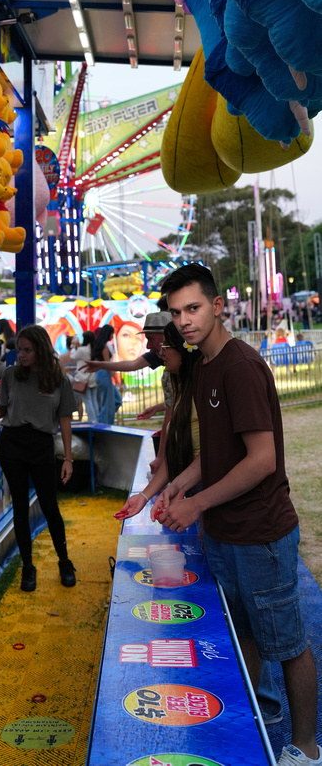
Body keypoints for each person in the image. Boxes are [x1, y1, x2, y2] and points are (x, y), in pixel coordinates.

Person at [153, 263, 319, 766]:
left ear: (219, 305)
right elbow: (220, 452)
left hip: (261, 533)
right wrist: (180, 484)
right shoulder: (203, 366)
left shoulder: (241, 367)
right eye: (176, 312)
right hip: (224, 532)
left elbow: (262, 459)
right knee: (243, 635)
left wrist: (197, 502)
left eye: (193, 308)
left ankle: (307, 748)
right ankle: (253, 724)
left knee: (286, 642)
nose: (183, 321)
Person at [0, 325, 78, 592]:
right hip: (12, 445)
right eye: (20, 349)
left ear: (41, 349)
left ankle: (64, 562)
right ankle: (28, 567)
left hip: (41, 445)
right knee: (19, 507)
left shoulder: (59, 380)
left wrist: (67, 458)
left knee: (49, 506)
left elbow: (65, 420)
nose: (22, 354)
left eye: (28, 350)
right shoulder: (10, 375)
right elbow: (3, 408)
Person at [115, 320, 201, 519]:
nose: (160, 353)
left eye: (165, 346)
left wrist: (186, 495)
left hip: (201, 493)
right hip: (191, 490)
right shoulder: (183, 389)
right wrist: (144, 496)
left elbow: (209, 457)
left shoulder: (202, 390)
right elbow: (175, 455)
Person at [87, 310, 174, 470]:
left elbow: (172, 410)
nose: (147, 345)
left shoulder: (184, 361)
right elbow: (133, 365)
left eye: (149, 339)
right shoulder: (165, 356)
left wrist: (161, 456)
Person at [90, 325, 122, 425]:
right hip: (104, 374)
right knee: (108, 402)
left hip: (101, 374)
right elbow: (108, 365)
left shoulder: (100, 345)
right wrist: (116, 380)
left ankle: (101, 419)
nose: (113, 336)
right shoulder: (105, 347)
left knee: (116, 400)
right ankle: (104, 423)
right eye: (112, 333)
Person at [70, 330, 99, 422]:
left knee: (87, 400)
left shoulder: (82, 350)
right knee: (94, 400)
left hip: (83, 378)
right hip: (93, 377)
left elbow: (73, 357)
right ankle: (97, 420)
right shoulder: (95, 349)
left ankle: (92, 421)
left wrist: (74, 346)